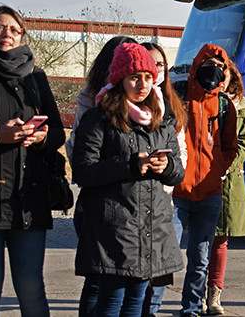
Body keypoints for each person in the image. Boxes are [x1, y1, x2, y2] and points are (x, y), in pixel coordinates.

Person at [72, 42, 184, 317]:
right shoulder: (99, 118)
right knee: (111, 300)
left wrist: (165, 165)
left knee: (137, 299)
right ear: (119, 78)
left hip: (152, 223)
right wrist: (133, 164)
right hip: (114, 226)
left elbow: (179, 171)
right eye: (134, 77)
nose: (142, 84)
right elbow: (83, 171)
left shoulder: (162, 117)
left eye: (148, 77)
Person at [0, 4, 65, 317]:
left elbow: (57, 131)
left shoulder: (35, 77)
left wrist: (42, 138)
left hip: (29, 199)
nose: (7, 34)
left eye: (15, 29)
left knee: (31, 287)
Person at [159, 44, 239, 317]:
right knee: (165, 256)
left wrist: (217, 169)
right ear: (196, 66)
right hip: (177, 192)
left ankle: (191, 308)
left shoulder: (226, 105)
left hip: (209, 193)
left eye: (219, 67)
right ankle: (150, 307)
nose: (213, 71)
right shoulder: (177, 97)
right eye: (208, 65)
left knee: (200, 259)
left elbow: (231, 147)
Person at [64, 35, 136, 317]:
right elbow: (77, 155)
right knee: (97, 283)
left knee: (132, 286)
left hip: (133, 205)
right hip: (97, 203)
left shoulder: (150, 105)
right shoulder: (90, 101)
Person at [140, 41, 188, 317]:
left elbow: (180, 155)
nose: (155, 70)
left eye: (159, 65)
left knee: (160, 275)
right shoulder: (123, 102)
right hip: (133, 202)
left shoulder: (172, 105)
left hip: (165, 202)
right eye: (149, 63)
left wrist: (168, 176)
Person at [204, 58, 245, 315]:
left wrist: (223, 166)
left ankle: (214, 296)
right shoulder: (198, 102)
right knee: (200, 240)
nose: (219, 80)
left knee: (220, 240)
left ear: (232, 78)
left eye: (225, 75)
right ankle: (195, 293)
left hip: (228, 179)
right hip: (199, 179)